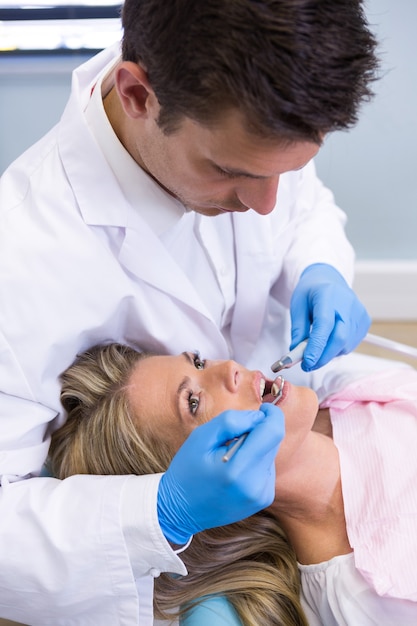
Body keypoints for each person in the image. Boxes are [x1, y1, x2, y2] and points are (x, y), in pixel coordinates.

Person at [0, 0, 385, 622]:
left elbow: (299, 208)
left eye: (288, 171)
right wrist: (161, 511)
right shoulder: (18, 256)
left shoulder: (250, 125)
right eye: (230, 171)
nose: (266, 205)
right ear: (137, 95)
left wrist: (320, 266)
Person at [48, 342, 417, 626]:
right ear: (201, 480)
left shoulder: (350, 386)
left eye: (198, 362)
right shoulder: (366, 595)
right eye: (193, 402)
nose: (230, 369)